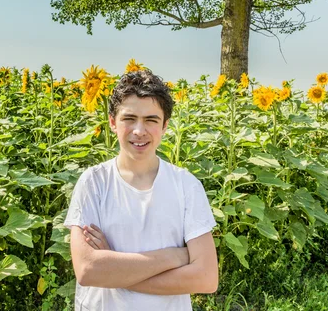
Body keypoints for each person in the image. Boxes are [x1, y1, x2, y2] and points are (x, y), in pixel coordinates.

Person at [64, 70, 218, 310]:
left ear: (165, 126)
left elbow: (206, 278)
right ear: (113, 122)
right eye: (129, 118)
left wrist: (115, 271)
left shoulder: (186, 185)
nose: (139, 130)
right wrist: (174, 256)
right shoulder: (94, 182)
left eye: (151, 120)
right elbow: (88, 270)